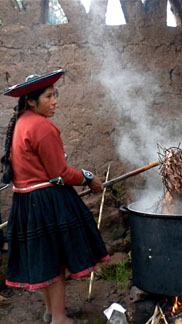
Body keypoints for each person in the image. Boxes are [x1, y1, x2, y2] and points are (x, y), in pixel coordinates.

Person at [1, 69, 110, 324]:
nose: (55, 101)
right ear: (31, 100)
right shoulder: (42, 127)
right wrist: (88, 177)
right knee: (58, 263)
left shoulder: (22, 122)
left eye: (55, 95)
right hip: (46, 202)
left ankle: (51, 312)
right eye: (49, 96)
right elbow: (59, 174)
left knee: (47, 261)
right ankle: (60, 319)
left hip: (27, 201)